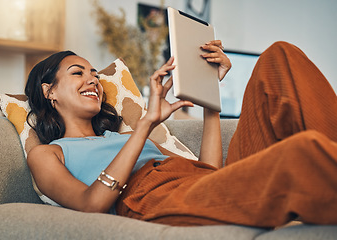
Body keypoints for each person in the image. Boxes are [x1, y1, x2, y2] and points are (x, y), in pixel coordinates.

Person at [25, 40, 337, 228]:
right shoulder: (49, 153)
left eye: (94, 74)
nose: (93, 80)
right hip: (151, 199)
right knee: (302, 153)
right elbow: (90, 204)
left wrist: (209, 95)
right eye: (78, 73)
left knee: (279, 58)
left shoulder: (121, 138)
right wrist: (146, 123)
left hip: (200, 184)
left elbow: (209, 173)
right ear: (49, 91)